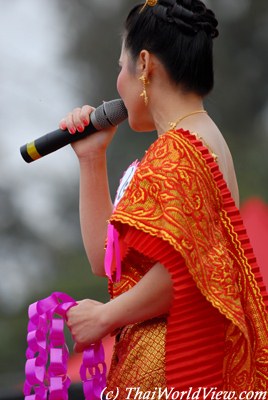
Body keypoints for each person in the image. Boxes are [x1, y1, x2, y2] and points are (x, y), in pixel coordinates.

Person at [60, 0, 268, 395]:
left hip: (171, 366)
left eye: (120, 67)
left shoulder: (178, 151)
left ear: (144, 64)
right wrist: (92, 159)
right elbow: (108, 260)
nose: (118, 81)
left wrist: (105, 316)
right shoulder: (198, 140)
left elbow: (190, 272)